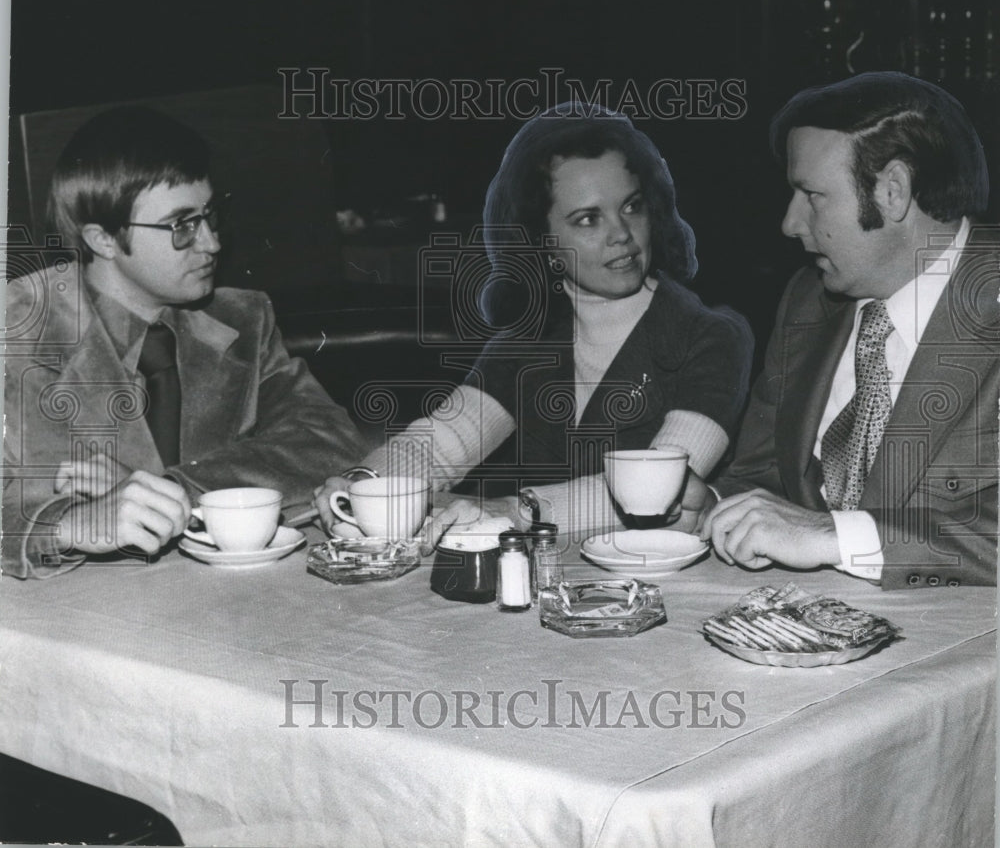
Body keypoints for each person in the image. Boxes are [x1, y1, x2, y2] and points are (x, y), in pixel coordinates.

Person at [314, 103, 753, 538]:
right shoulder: (530, 337)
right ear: (543, 243)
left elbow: (662, 487)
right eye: (588, 218)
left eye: (632, 207)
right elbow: (445, 440)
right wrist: (365, 482)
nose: (621, 233)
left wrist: (514, 510)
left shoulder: (712, 337)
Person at [3, 106, 367, 578]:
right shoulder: (17, 329)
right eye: (181, 225)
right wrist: (69, 526)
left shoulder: (241, 318)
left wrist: (174, 488)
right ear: (103, 239)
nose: (212, 243)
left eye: (210, 215)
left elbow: (329, 441)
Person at [684, 71, 998, 588]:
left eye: (812, 195)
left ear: (893, 191)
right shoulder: (808, 300)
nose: (789, 222)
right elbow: (764, 477)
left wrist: (833, 536)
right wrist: (712, 506)